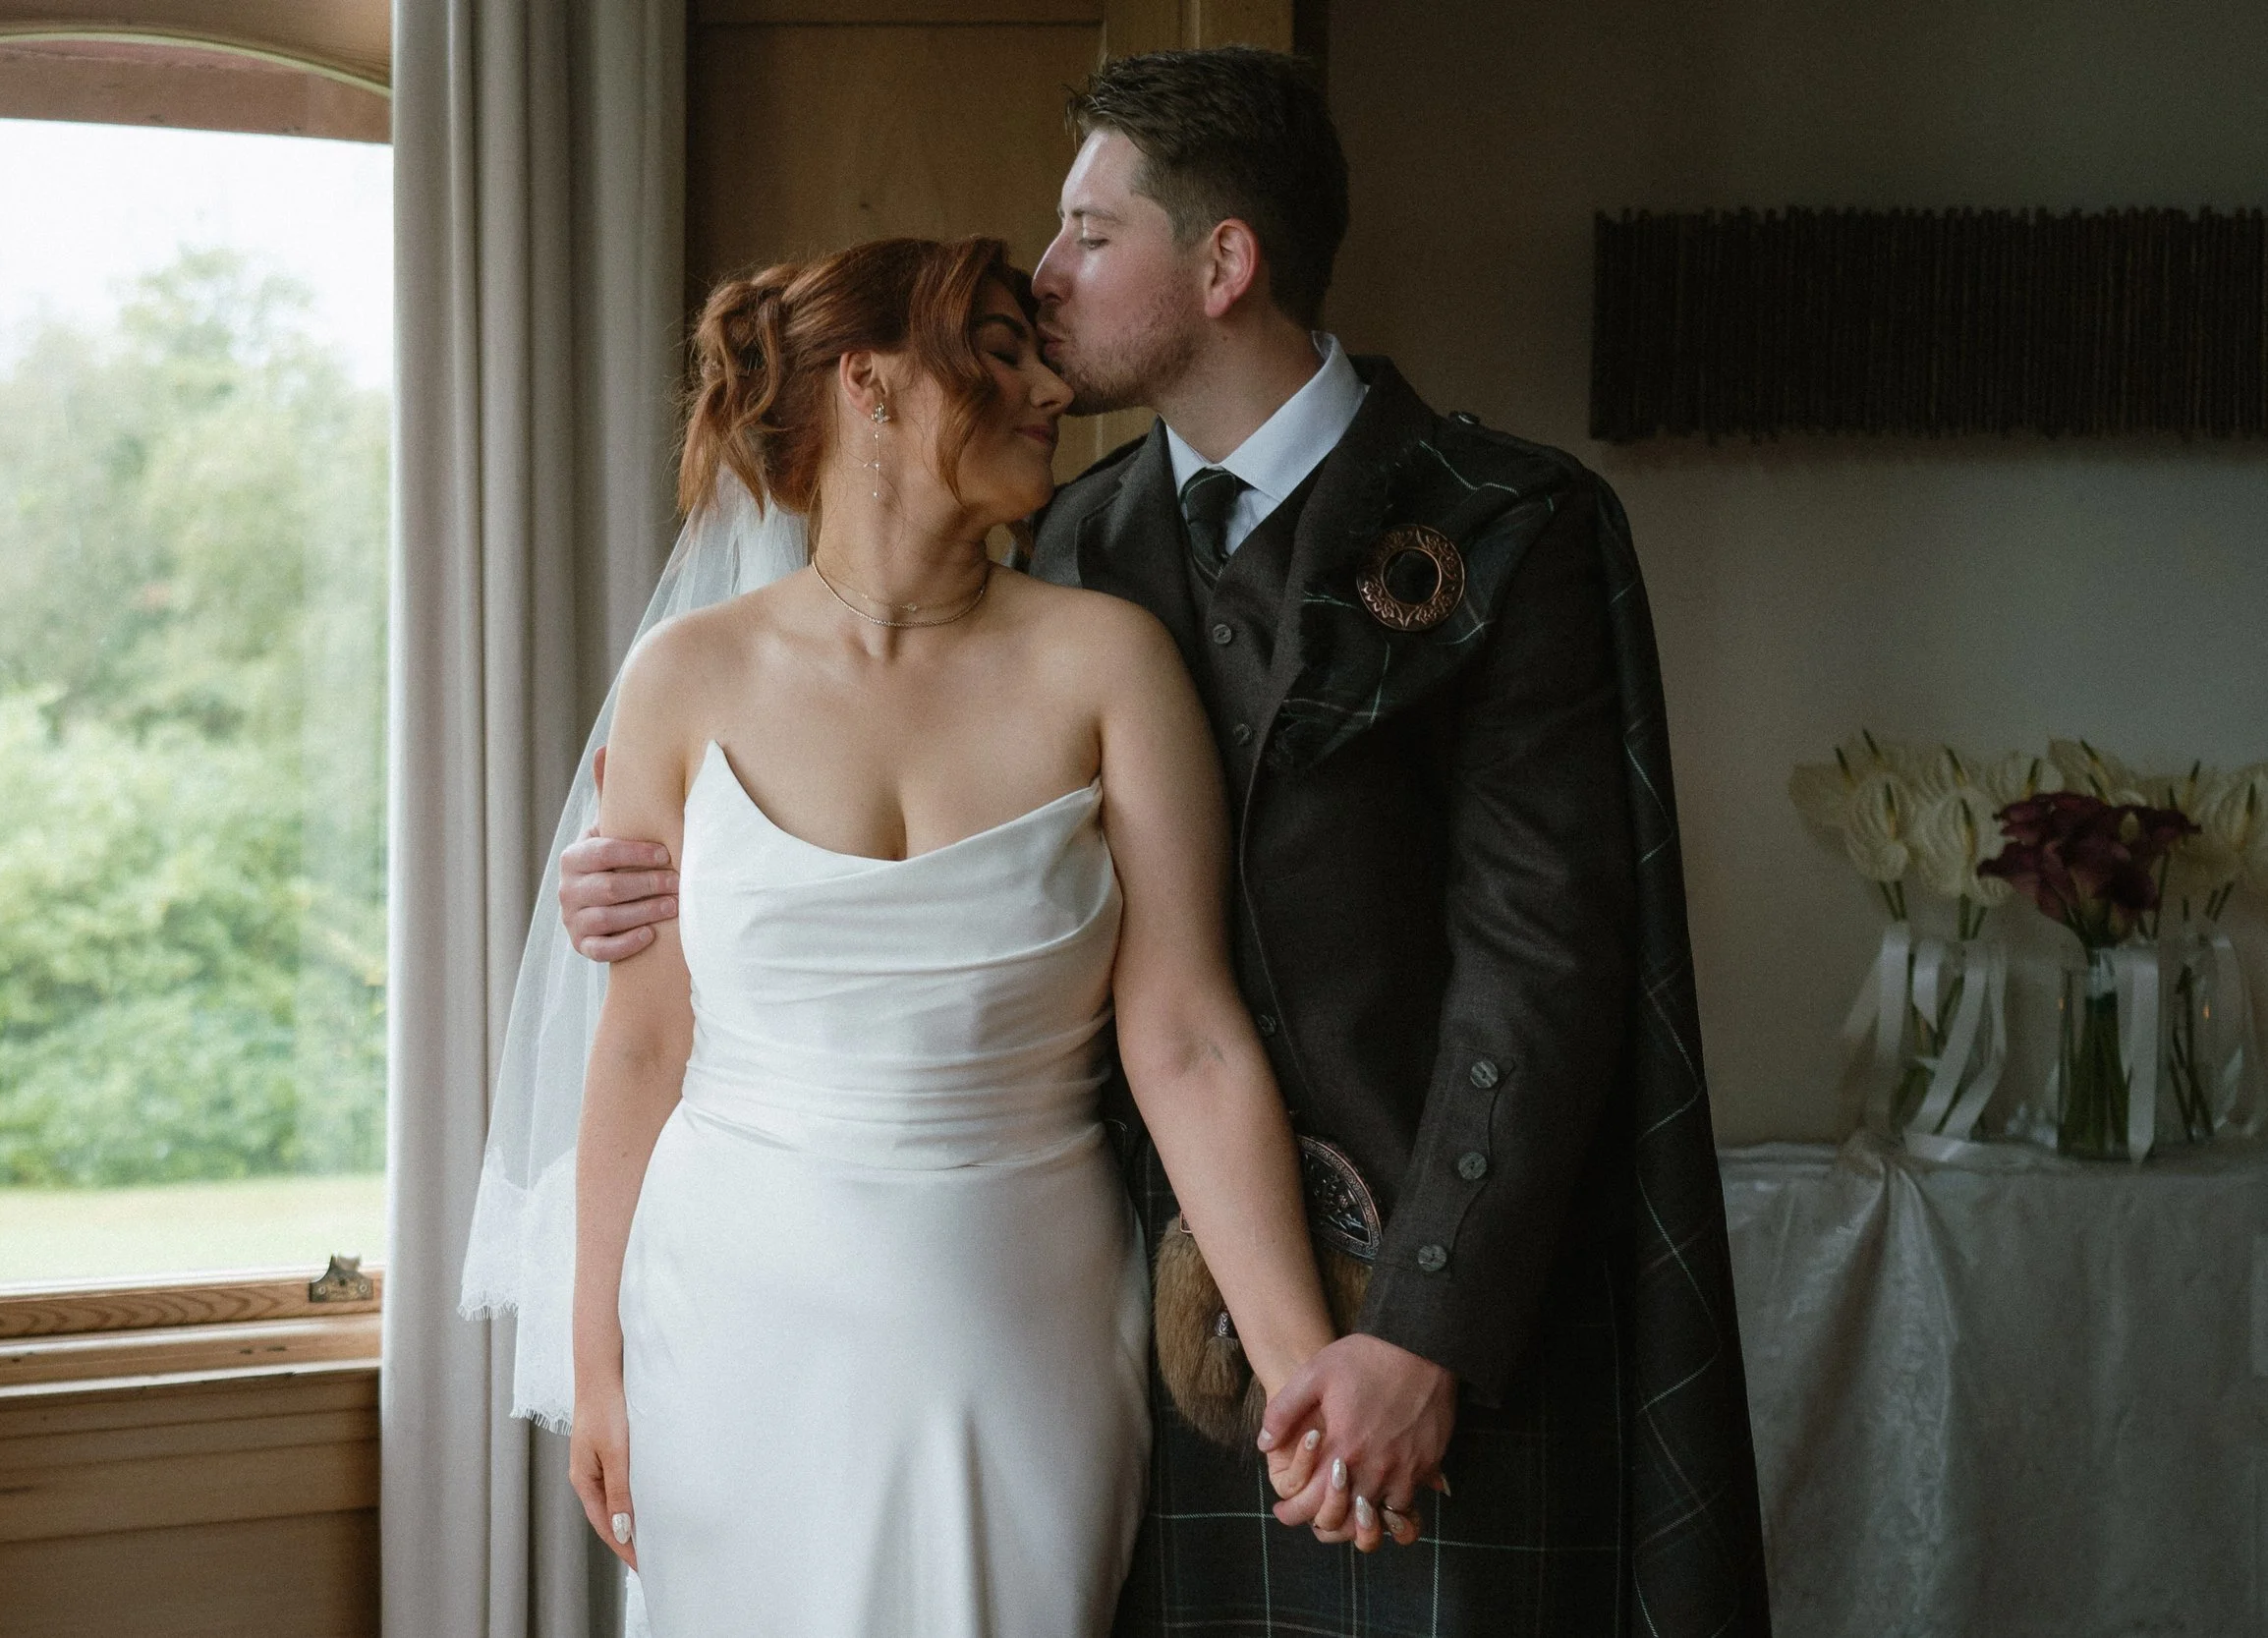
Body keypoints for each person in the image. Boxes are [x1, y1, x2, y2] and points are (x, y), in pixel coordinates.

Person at [558, 45, 1772, 1638]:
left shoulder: (1510, 524)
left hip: (1432, 1326)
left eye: (1086, 235)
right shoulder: (1074, 543)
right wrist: (666, 886)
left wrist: (1411, 1331)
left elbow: (1544, 965)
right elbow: (678, 1020)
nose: (1047, 291)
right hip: (1126, 1321)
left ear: (1225, 262)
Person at [544, 234, 1407, 1638]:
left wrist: (1297, 1357)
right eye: (997, 351)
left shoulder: (1107, 662)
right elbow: (641, 1042)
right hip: (727, 1325)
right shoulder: (683, 679)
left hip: (1025, 1318)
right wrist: (597, 1363)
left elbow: (1184, 1032)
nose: (1049, 389)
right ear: (868, 384)